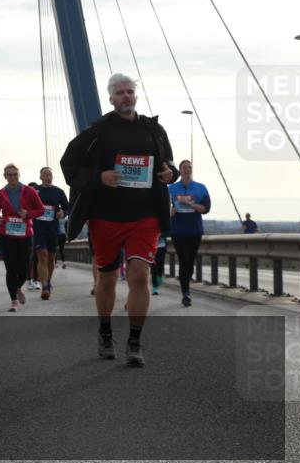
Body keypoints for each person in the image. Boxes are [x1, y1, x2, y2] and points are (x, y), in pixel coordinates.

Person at [61, 73, 178, 368]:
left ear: (136, 96)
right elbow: (69, 164)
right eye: (120, 93)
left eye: (130, 92)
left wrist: (170, 174)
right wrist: (98, 177)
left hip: (145, 216)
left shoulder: (154, 130)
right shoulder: (98, 132)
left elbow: (169, 165)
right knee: (108, 277)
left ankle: (135, 342)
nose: (126, 96)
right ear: (111, 99)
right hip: (106, 216)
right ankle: (104, 331)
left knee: (139, 275)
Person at [0, 164, 45, 311]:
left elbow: (41, 210)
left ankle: (17, 287)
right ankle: (13, 300)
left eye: (15, 174)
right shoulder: (0, 193)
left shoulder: (29, 191)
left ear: (19, 175)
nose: (12, 177)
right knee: (11, 268)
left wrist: (28, 214)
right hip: (6, 235)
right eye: (9, 175)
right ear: (5, 176)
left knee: (24, 268)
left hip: (25, 235)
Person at [169, 160, 211, 307]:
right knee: (184, 260)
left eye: (189, 168)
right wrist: (172, 211)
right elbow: (164, 210)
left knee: (190, 261)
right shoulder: (171, 188)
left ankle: (186, 286)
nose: (187, 170)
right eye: (184, 167)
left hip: (195, 230)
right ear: (179, 171)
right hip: (178, 231)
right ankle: (185, 293)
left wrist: (192, 205)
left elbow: (206, 209)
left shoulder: (200, 188)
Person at [34, 167, 70, 301]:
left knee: (50, 258)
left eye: (50, 174)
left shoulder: (58, 191)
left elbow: (67, 207)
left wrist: (63, 213)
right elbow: (26, 204)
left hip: (53, 229)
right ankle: (44, 286)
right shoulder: (34, 191)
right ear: (41, 177)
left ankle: (48, 281)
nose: (48, 177)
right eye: (45, 174)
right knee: (42, 256)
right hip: (38, 228)